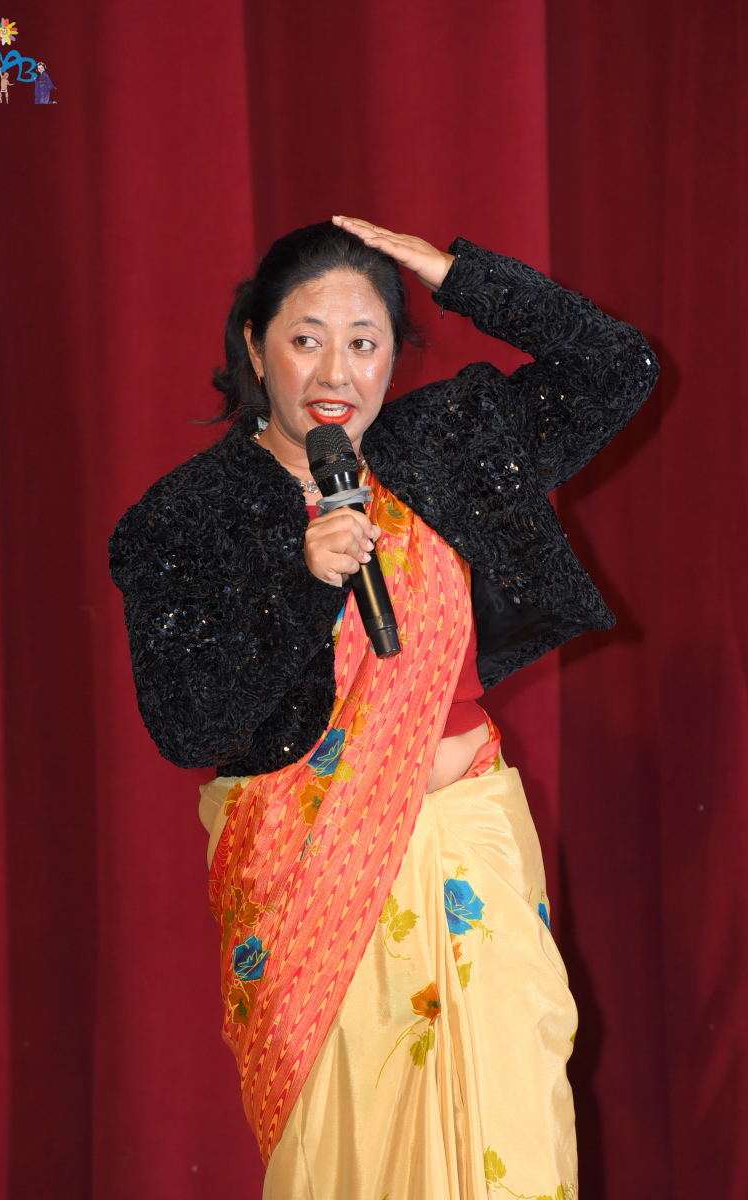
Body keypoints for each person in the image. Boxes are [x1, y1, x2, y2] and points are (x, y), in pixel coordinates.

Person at [110, 217, 659, 1198]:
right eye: (306, 338)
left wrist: (461, 277)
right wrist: (300, 583)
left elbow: (619, 368)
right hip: (309, 893)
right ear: (254, 347)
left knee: (508, 1151)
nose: (337, 371)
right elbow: (188, 725)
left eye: (364, 341)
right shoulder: (183, 519)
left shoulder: (441, 445)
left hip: (470, 853)